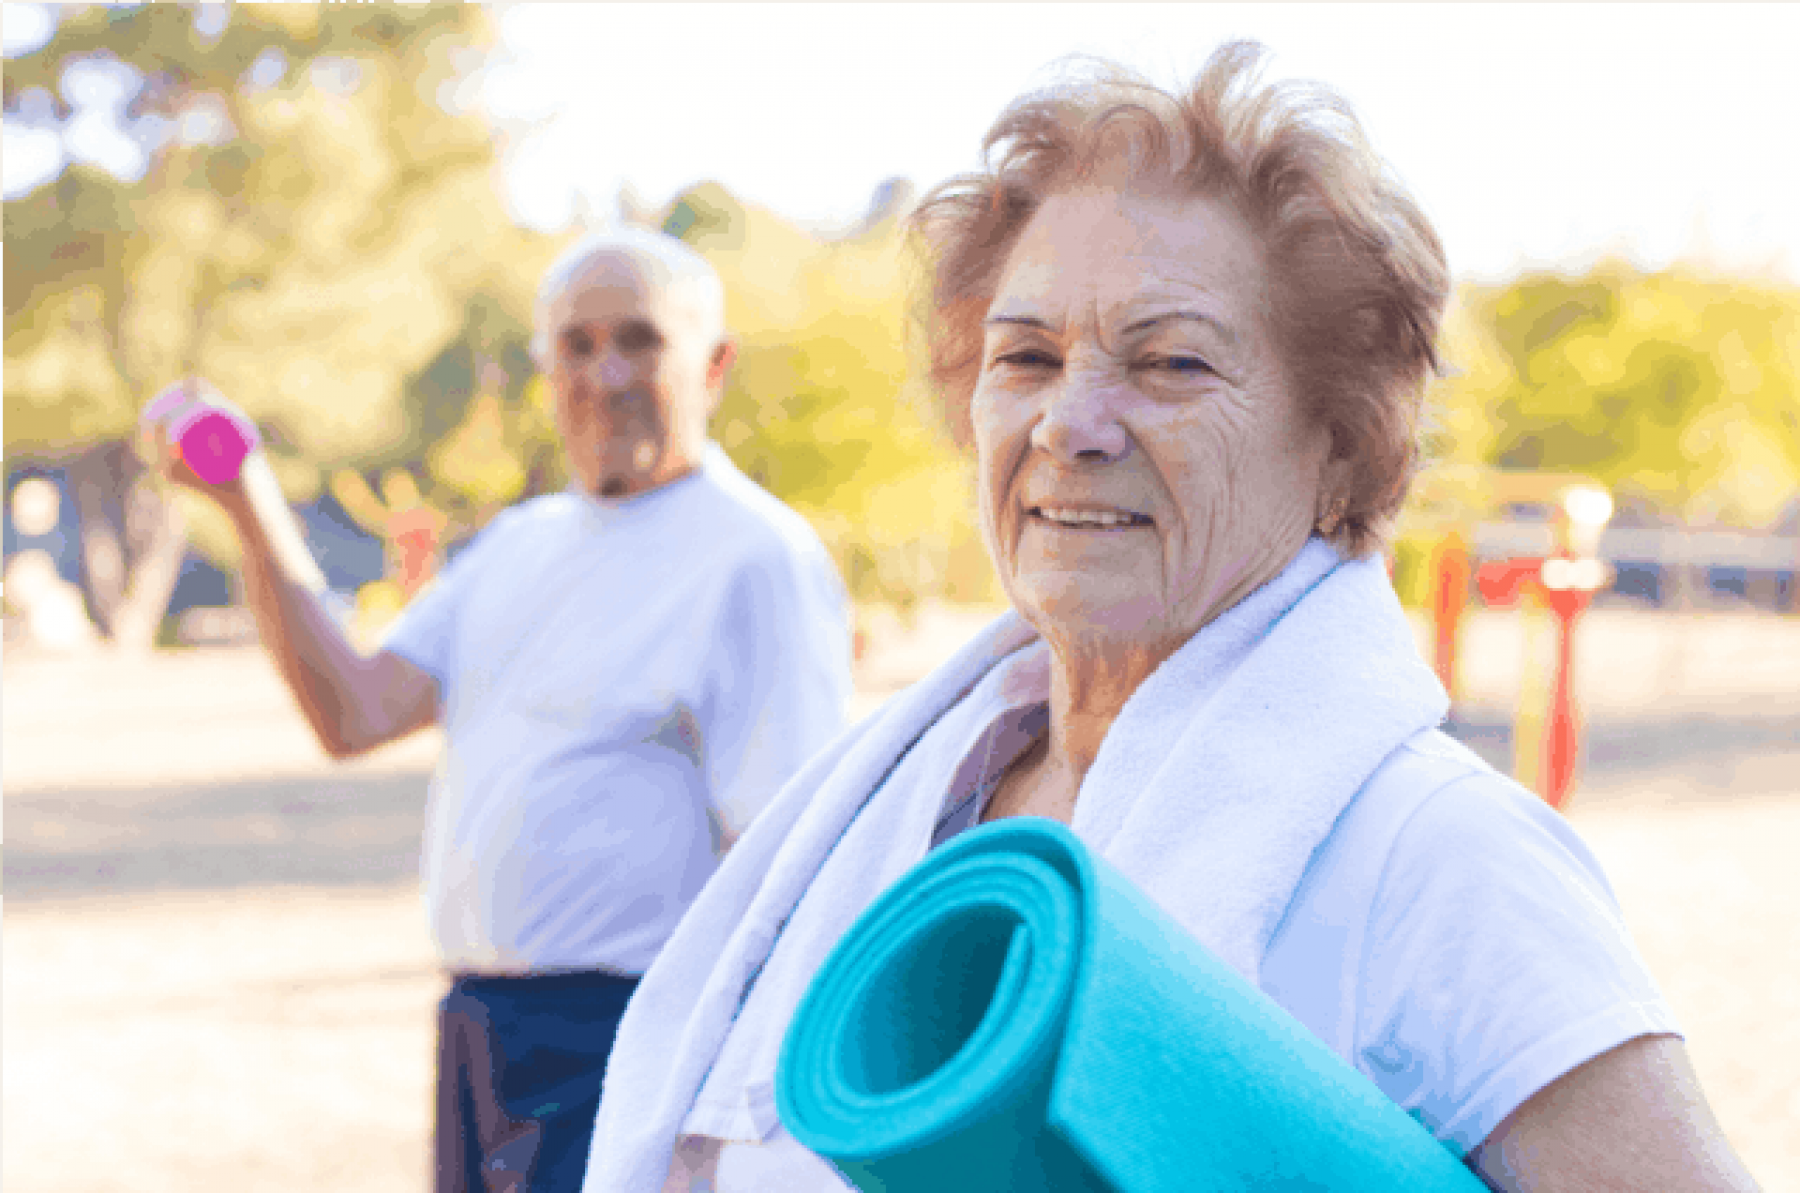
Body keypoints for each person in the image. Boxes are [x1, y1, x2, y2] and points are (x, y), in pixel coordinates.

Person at [581, 44, 1762, 1193]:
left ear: (1339, 448)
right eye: (1027, 357)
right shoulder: (887, 802)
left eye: (1172, 365)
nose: (1070, 423)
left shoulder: (1443, 860)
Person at [140, 228, 855, 1193]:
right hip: (480, 1033)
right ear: (543, 364)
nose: (604, 374)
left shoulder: (757, 558)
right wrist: (246, 501)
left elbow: (789, 863)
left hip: (631, 1041)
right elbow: (354, 712)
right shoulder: (518, 545)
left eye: (639, 341)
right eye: (576, 344)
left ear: (714, 363)